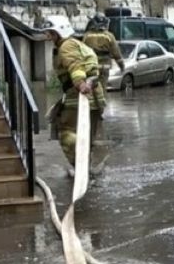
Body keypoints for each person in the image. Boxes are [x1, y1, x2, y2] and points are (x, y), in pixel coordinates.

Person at [43, 15, 106, 172]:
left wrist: (80, 84)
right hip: (95, 98)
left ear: (59, 32)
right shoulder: (78, 43)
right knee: (87, 134)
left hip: (78, 96)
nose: (48, 36)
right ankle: (90, 165)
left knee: (66, 133)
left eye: (51, 33)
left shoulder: (66, 46)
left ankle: (80, 165)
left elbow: (75, 65)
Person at [82, 14, 124, 91]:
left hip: (91, 66)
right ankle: (102, 101)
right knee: (102, 88)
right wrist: (122, 66)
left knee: (90, 88)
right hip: (104, 67)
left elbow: (81, 51)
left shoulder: (87, 36)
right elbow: (116, 53)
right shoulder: (109, 36)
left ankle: (92, 101)